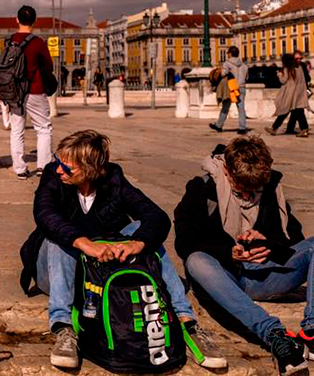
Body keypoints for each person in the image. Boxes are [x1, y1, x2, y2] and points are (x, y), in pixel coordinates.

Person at [31, 130, 225, 370]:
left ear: (90, 168)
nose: (59, 169)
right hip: (59, 268)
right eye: (57, 161)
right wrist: (84, 243)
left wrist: (138, 243)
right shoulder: (53, 176)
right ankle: (63, 328)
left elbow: (157, 216)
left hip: (99, 274)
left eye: (67, 166)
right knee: (58, 236)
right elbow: (45, 213)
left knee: (144, 232)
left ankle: (187, 322)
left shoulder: (114, 179)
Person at [175, 136, 314, 374]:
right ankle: (275, 335)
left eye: (255, 190)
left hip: (267, 274)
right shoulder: (201, 188)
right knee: (196, 260)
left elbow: (294, 238)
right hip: (227, 278)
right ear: (228, 172)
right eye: (242, 189)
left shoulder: (271, 187)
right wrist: (229, 253)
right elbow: (186, 241)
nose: (250, 196)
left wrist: (268, 243)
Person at [7, 5, 54, 180]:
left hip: (14, 92)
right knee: (43, 128)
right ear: (35, 20)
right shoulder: (38, 42)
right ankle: (43, 166)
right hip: (35, 90)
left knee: (17, 130)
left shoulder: (10, 40)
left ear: (17, 19)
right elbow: (48, 67)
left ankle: (20, 169)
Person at [266, 54, 309, 138]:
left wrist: (279, 74)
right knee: (299, 112)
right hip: (300, 93)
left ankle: (274, 128)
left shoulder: (287, 69)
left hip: (291, 94)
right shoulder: (299, 68)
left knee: (284, 110)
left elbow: (283, 81)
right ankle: (304, 129)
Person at [210, 46, 249, 135]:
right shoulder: (244, 65)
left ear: (230, 53)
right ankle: (242, 128)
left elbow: (223, 74)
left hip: (231, 88)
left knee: (225, 106)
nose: (227, 54)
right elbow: (247, 77)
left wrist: (219, 71)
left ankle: (219, 125)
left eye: (228, 53)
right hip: (241, 87)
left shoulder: (227, 63)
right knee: (241, 108)